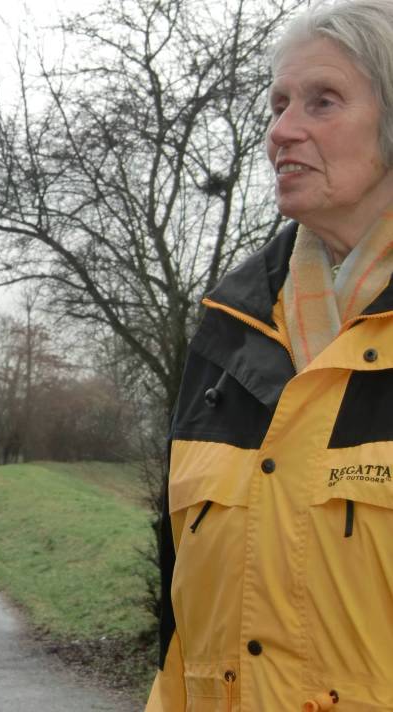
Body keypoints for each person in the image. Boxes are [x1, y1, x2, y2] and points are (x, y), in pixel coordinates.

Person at [146, 0, 393, 709]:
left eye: (323, 101)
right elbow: (178, 631)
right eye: (279, 103)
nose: (282, 130)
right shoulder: (227, 331)